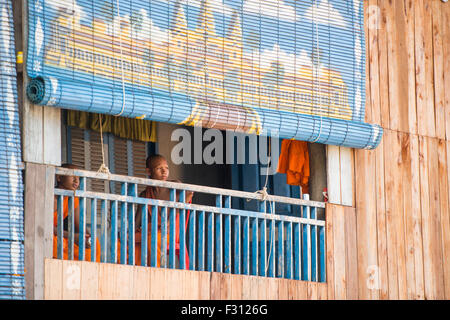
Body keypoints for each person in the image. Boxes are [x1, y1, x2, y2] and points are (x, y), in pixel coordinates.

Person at [134, 154, 193, 267]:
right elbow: (137, 222)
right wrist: (128, 234)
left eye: (166, 168)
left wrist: (172, 216)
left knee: (153, 240)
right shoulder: (145, 194)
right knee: (121, 243)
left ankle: (155, 271)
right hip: (149, 231)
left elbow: (189, 194)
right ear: (149, 172)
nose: (164, 172)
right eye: (159, 168)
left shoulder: (175, 186)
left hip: (169, 232)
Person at [53, 163, 101, 262]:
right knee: (54, 243)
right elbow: (46, 228)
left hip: (63, 235)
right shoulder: (52, 196)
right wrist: (73, 236)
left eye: (78, 178)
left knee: (94, 244)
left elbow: (80, 226)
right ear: (59, 177)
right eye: (73, 176)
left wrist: (88, 237)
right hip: (51, 235)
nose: (76, 181)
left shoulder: (72, 198)